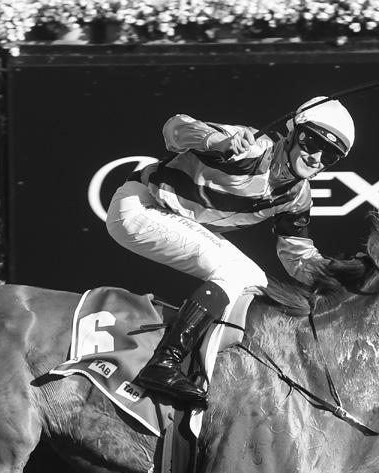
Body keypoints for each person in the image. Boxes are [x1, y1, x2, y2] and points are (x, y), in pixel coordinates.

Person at [105, 95, 356, 407]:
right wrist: (217, 142)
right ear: (292, 132)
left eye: (329, 155)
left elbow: (297, 257)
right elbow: (174, 128)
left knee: (255, 283)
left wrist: (343, 275)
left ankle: (198, 367)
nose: (316, 157)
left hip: (175, 219)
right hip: (141, 205)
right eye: (312, 142)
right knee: (238, 273)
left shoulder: (297, 196)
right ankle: (164, 362)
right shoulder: (251, 148)